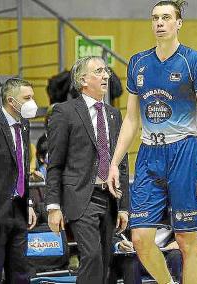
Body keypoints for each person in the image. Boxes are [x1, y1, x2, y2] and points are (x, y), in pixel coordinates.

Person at [108, 1, 197, 284]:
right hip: (149, 153)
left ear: (178, 23)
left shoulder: (196, 62)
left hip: (186, 152)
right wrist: (114, 162)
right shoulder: (138, 62)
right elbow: (131, 119)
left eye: (166, 17)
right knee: (140, 238)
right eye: (155, 17)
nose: (159, 22)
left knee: (186, 238)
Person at [45, 56, 129, 284]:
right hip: (82, 196)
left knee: (104, 260)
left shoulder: (114, 114)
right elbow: (55, 163)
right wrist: (53, 206)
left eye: (107, 71)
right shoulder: (65, 112)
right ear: (83, 79)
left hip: (110, 197)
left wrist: (124, 207)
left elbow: (121, 163)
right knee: (91, 255)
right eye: (99, 71)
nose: (106, 76)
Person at [0, 78, 38, 284]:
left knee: (20, 271)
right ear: (11, 101)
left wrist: (28, 201)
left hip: (19, 208)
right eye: (27, 98)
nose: (33, 102)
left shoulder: (25, 124)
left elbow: (20, 167)